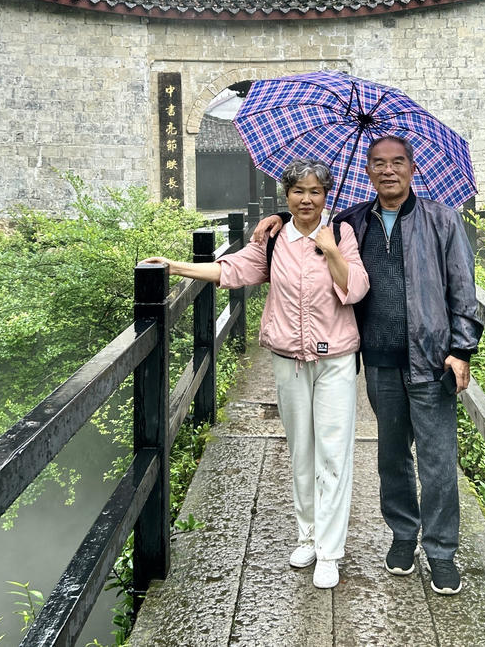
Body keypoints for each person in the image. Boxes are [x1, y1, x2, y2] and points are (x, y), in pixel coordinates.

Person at [253, 135, 481, 595]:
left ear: (413, 168)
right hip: (378, 359)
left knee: (438, 459)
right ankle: (403, 535)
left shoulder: (442, 219)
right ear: (368, 171)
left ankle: (440, 551)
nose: (387, 170)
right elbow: (309, 219)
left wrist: (462, 350)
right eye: (378, 163)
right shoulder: (353, 221)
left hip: (431, 358)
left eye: (397, 162)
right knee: (391, 455)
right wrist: (277, 218)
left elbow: (463, 287)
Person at [143, 159, 369, 590]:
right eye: (298, 191)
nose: (306, 199)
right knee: (300, 450)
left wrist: (332, 251)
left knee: (333, 454)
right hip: (288, 358)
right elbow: (231, 269)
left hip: (335, 359)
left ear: (327, 196)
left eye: (315, 191)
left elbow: (355, 289)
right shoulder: (274, 238)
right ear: (286, 195)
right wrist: (176, 266)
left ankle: (330, 551)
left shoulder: (342, 234)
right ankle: (307, 535)